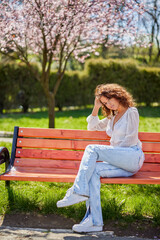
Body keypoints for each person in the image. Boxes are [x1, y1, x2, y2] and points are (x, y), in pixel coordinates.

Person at [56, 83, 145, 233]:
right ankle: (94, 221)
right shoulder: (112, 116)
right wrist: (96, 107)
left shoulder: (131, 112)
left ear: (117, 95)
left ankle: (77, 191)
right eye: (104, 102)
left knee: (92, 148)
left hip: (132, 157)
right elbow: (92, 127)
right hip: (119, 162)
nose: (108, 104)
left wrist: (108, 155)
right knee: (93, 171)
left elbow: (129, 141)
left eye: (109, 100)